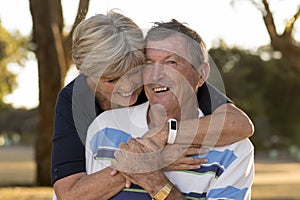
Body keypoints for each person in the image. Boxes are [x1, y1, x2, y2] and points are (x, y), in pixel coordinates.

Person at [51, 10, 254, 199]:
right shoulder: (85, 112)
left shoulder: (174, 84)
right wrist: (151, 161)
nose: (129, 86)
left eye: (136, 71)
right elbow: (69, 193)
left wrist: (165, 134)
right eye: (112, 80)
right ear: (87, 75)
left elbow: (240, 125)